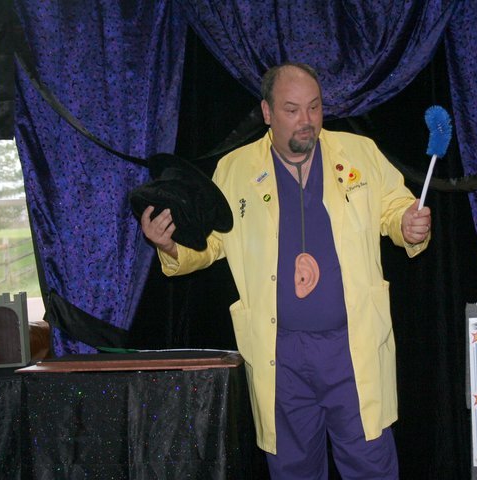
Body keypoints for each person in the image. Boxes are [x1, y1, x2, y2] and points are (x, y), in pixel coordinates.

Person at [141, 62, 431, 479]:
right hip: (281, 355)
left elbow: (395, 207)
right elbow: (213, 242)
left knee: (370, 466)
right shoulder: (235, 169)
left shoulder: (360, 152)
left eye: (314, 107)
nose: (306, 120)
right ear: (267, 112)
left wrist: (408, 224)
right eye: (292, 110)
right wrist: (169, 245)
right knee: (294, 470)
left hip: (351, 348)